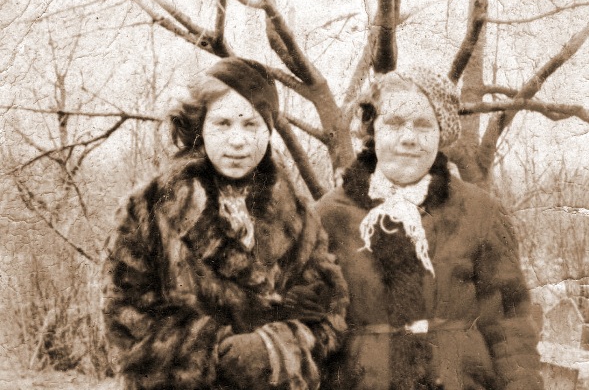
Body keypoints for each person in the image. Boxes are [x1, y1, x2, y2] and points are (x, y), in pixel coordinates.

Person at [101, 57, 348, 390]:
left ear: (269, 131)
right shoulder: (149, 208)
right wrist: (217, 352)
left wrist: (273, 350)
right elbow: (123, 319)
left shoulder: (299, 216)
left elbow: (329, 315)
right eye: (223, 123)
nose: (237, 140)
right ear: (201, 127)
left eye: (251, 125)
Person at [316, 67, 544, 390]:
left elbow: (511, 328)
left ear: (441, 133)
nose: (409, 138)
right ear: (372, 130)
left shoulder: (481, 213)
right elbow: (306, 332)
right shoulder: (327, 217)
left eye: (423, 125)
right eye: (394, 123)